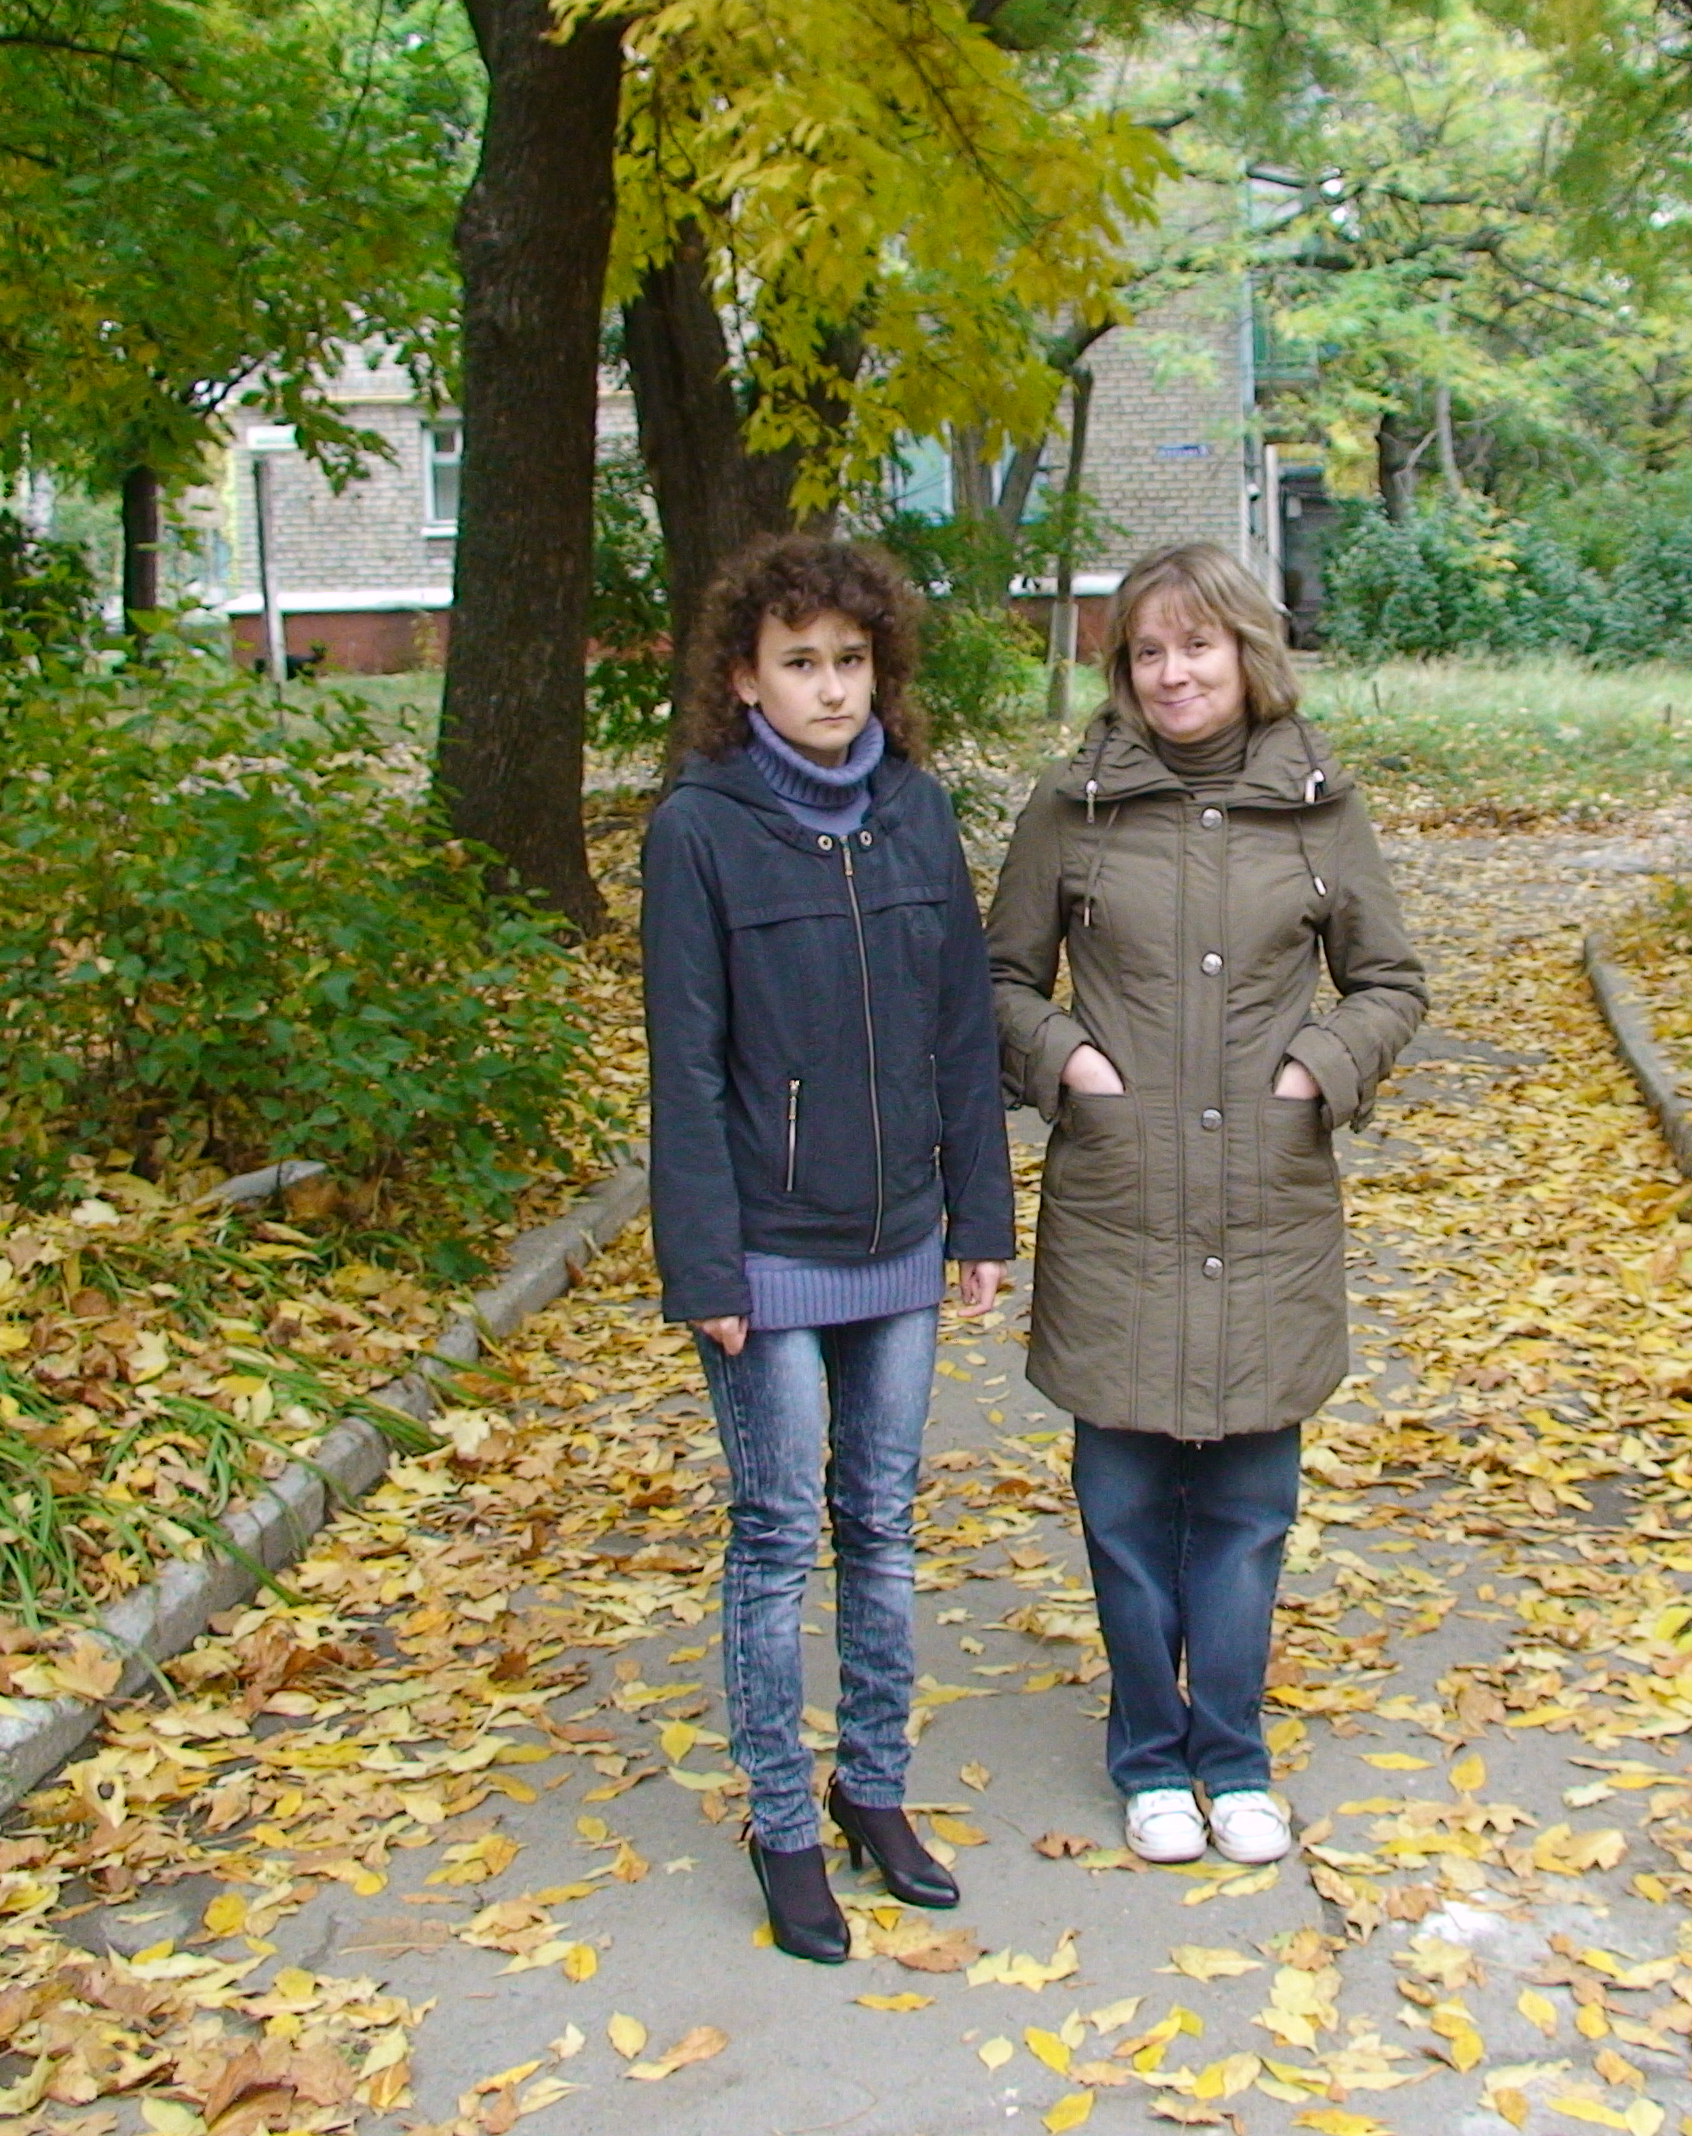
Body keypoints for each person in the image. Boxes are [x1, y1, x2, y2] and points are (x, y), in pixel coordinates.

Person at [985, 541, 1426, 1869]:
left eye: (1198, 645)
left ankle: (1231, 1755)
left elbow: (1391, 983)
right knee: (1124, 1513)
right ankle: (1147, 1756)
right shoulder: (1071, 810)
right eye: (1147, 652)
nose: (1173, 674)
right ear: (1122, 671)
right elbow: (997, 981)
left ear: (1246, 651)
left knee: (1244, 1514)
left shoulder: (1321, 808)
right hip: (1118, 1203)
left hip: (1266, 1209)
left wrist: (1318, 1070)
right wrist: (1071, 1065)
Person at [642, 534, 1015, 1965]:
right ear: (745, 679)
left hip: (901, 1236)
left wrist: (980, 1216)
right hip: (767, 1252)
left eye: (850, 660)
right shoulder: (699, 829)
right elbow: (686, 1067)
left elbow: (961, 1028)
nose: (831, 687)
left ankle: (874, 1787)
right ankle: (784, 1823)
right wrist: (705, 1268)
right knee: (778, 1536)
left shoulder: (916, 811)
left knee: (883, 1526)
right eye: (798, 662)